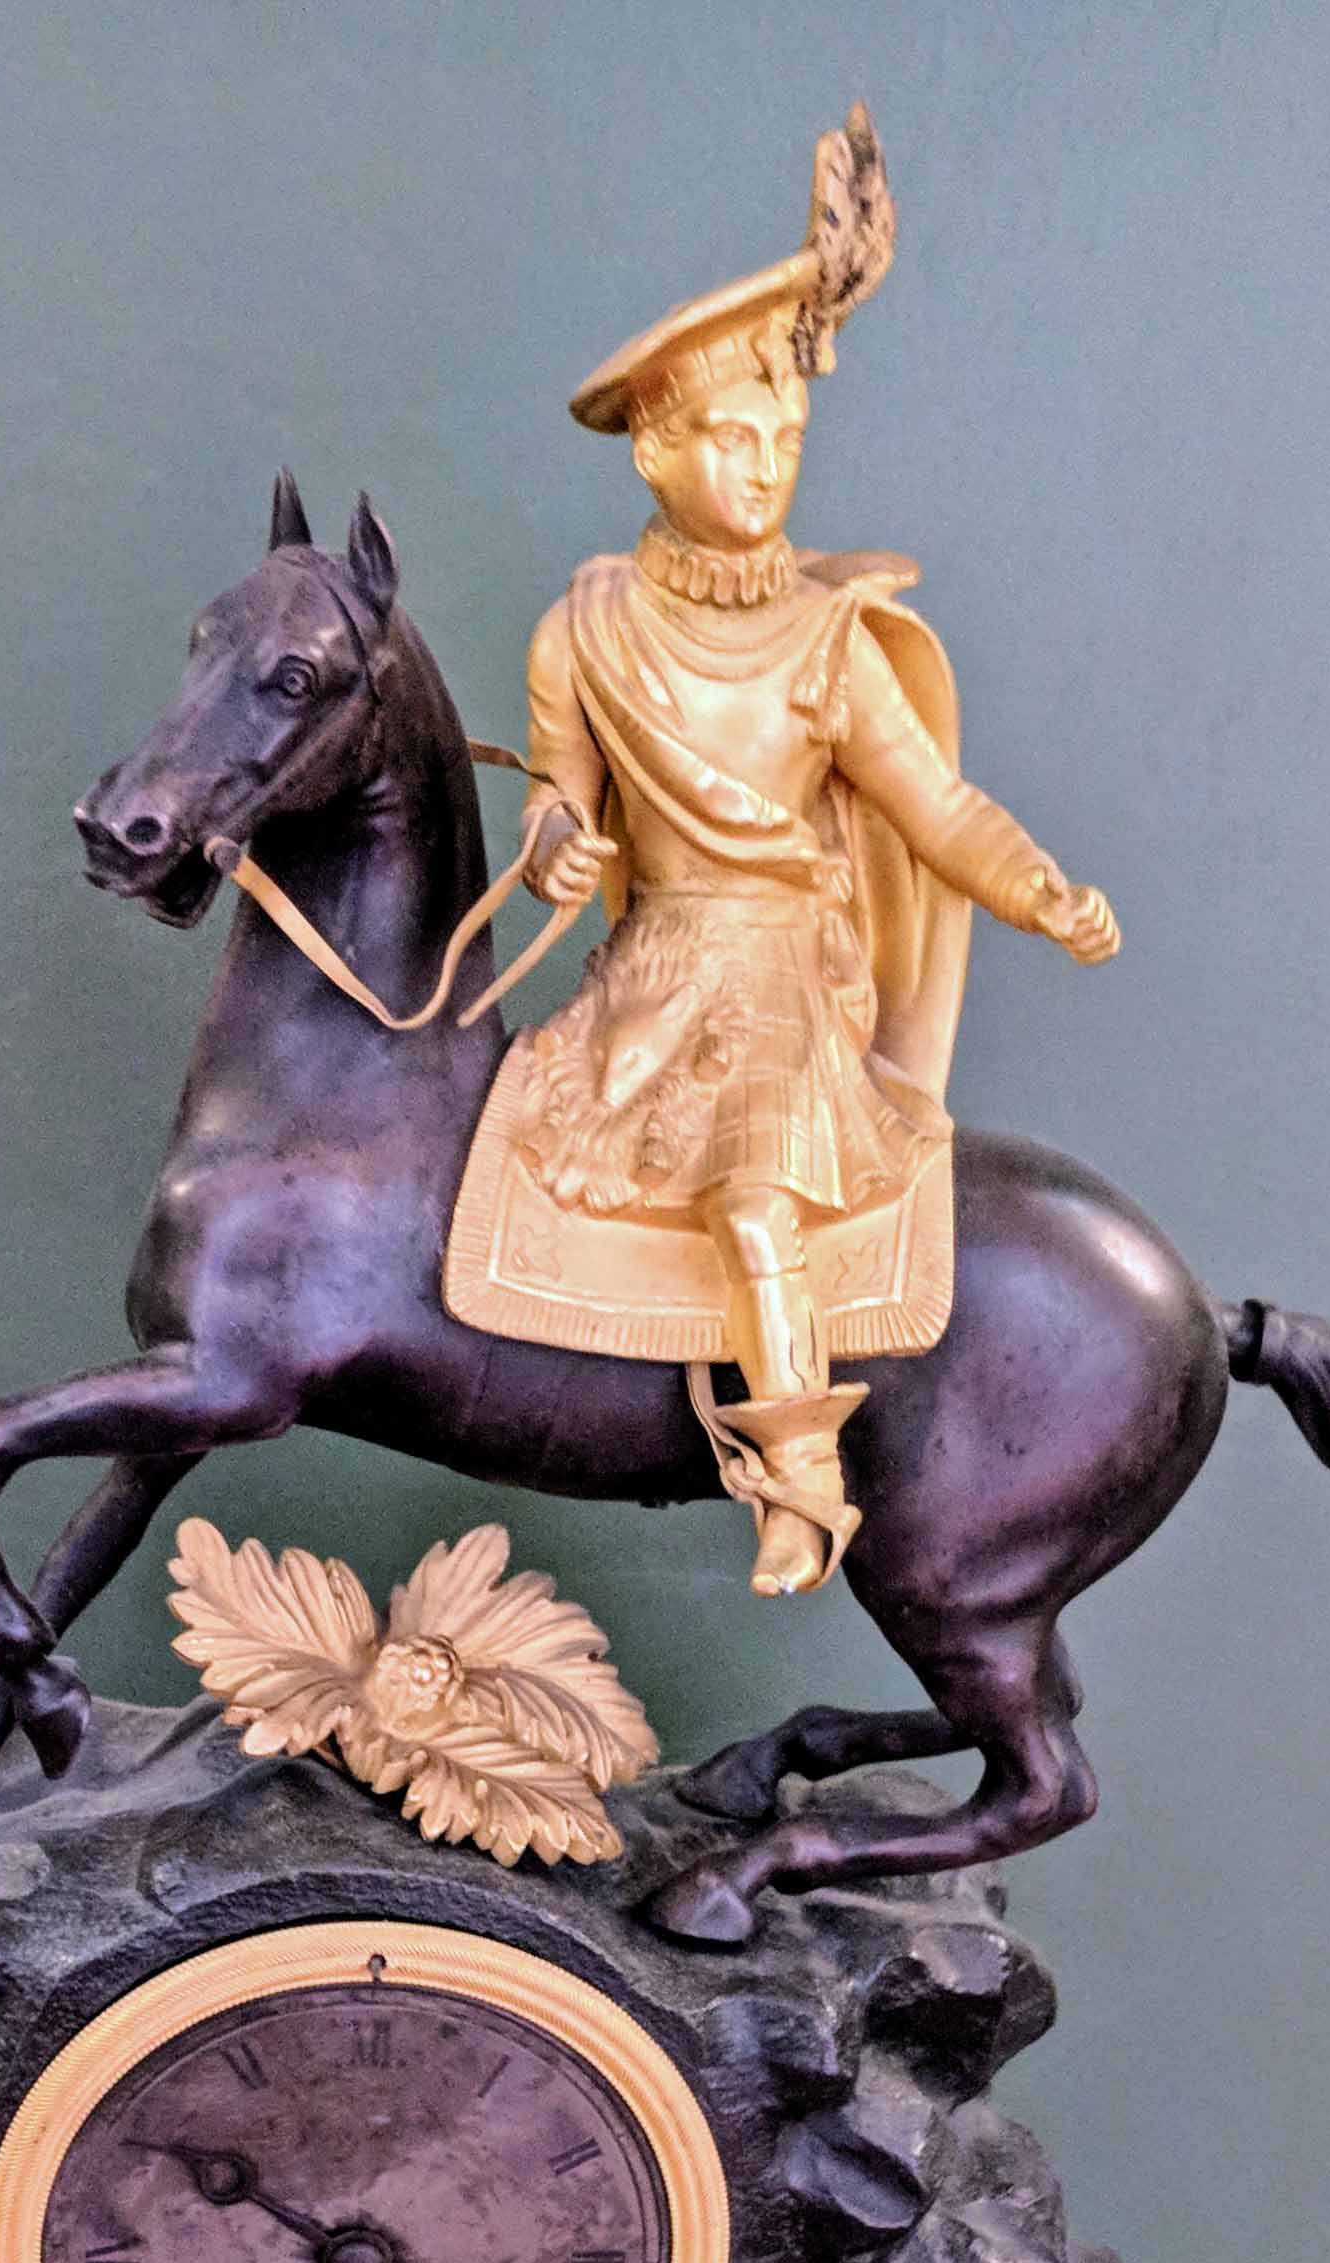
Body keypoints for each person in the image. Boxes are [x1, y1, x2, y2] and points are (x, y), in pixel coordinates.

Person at [443, 104, 1118, 1594]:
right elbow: (560, 797)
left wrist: (1035, 888)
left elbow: (933, 806)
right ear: (656, 451)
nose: (764, 471)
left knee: (755, 1197)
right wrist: (556, 850)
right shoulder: (585, 627)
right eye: (732, 439)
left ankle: (802, 1481)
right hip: (648, 976)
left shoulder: (828, 639)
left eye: (786, 443)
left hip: (784, 979)